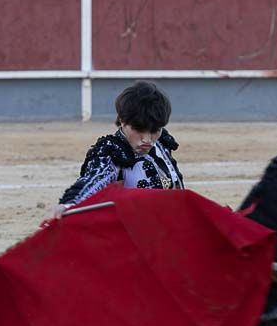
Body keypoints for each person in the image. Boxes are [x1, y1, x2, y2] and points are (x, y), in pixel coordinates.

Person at [48, 81, 183, 221]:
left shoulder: (162, 141)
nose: (147, 139)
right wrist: (70, 203)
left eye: (155, 130)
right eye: (139, 129)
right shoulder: (112, 151)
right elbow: (95, 179)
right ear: (123, 121)